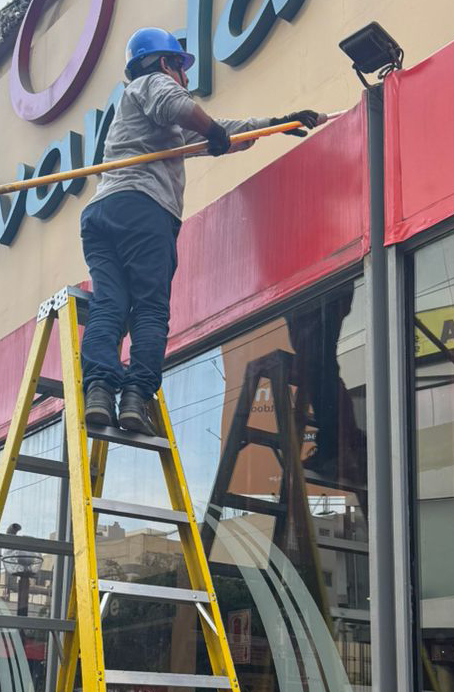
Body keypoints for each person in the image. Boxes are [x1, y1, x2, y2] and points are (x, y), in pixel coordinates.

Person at [81, 25, 322, 436]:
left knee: (110, 304)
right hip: (143, 209)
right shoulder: (153, 86)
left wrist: (276, 124)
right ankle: (137, 397)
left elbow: (227, 131)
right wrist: (212, 133)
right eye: (182, 68)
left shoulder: (147, 113)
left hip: (102, 214)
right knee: (151, 308)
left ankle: (99, 391)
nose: (186, 79)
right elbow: (195, 116)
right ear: (164, 63)